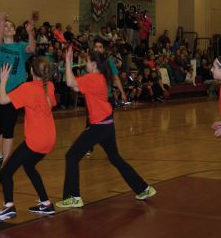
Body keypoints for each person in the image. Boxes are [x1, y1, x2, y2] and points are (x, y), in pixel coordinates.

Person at [55, 46, 156, 209]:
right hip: (107, 124)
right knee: (115, 158)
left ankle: (73, 197)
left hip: (99, 126)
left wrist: (67, 61)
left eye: (87, 61)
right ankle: (143, 188)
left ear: (94, 64)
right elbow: (74, 86)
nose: (85, 63)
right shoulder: (99, 77)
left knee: (72, 156)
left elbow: (69, 82)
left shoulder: (92, 78)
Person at [0, 56, 57, 223]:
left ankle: (8, 206)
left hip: (37, 140)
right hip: (50, 138)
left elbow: (2, 100)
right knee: (29, 165)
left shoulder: (27, 87)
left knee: (5, 172)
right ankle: (46, 203)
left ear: (31, 71)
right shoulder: (50, 86)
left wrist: (2, 80)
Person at [0, 13, 35, 183]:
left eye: (10, 26)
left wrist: (30, 33)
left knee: (8, 129)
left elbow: (31, 49)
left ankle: (5, 165)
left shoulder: (21, 46)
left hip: (15, 95)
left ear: (15, 31)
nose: (8, 28)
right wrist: (1, 21)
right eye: (5, 26)